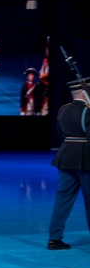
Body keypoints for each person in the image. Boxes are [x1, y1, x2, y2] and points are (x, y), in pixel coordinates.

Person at [46, 79, 90, 250]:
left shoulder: (63, 109)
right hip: (85, 159)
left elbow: (60, 134)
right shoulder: (87, 112)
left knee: (63, 198)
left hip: (65, 157)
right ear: (84, 93)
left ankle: (54, 238)